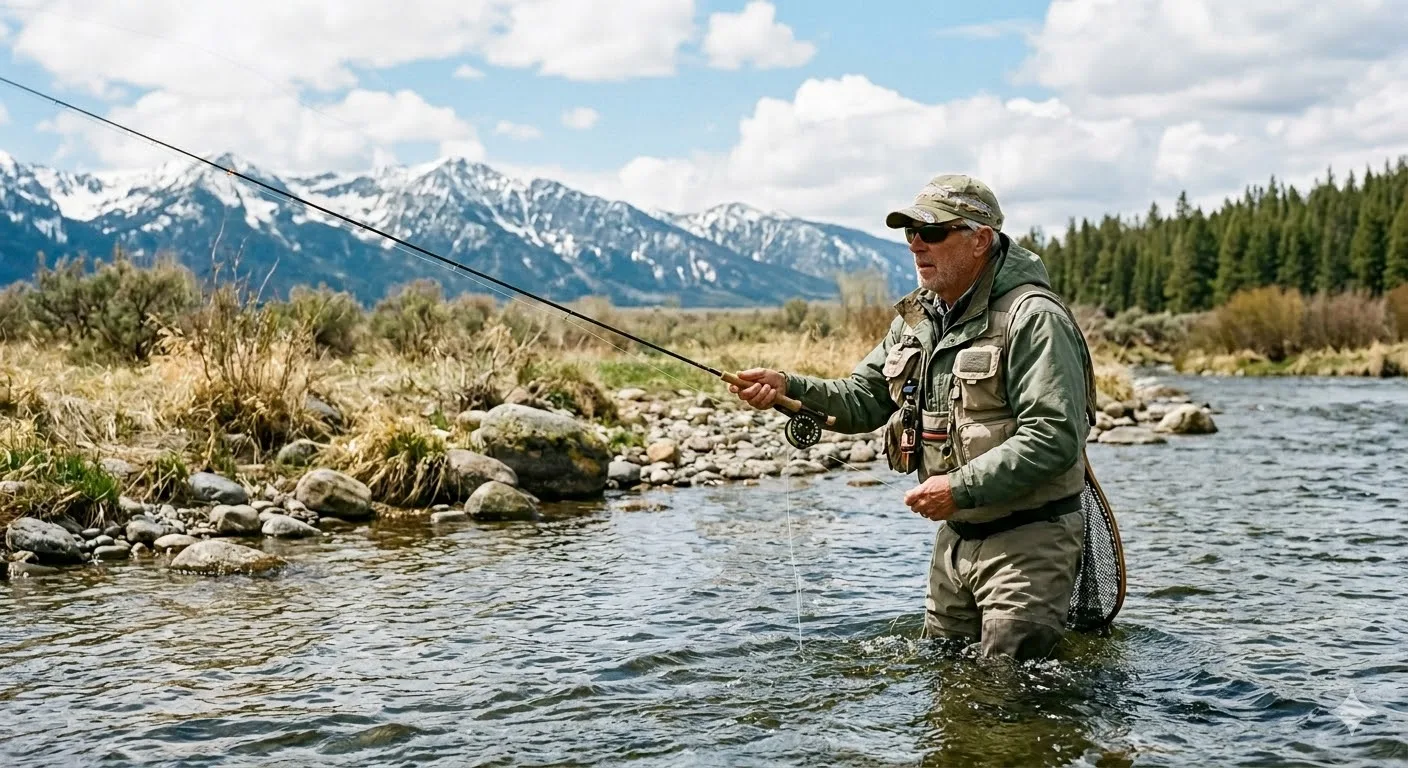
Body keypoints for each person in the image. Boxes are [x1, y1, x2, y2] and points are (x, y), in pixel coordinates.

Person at [729, 174, 1097, 661]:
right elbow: (861, 398)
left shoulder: (1032, 317)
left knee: (1012, 695)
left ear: (980, 239)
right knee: (947, 685)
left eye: (933, 232)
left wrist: (956, 489)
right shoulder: (915, 320)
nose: (916, 244)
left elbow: (1053, 436)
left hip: (1030, 542)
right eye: (909, 233)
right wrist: (787, 387)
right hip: (955, 542)